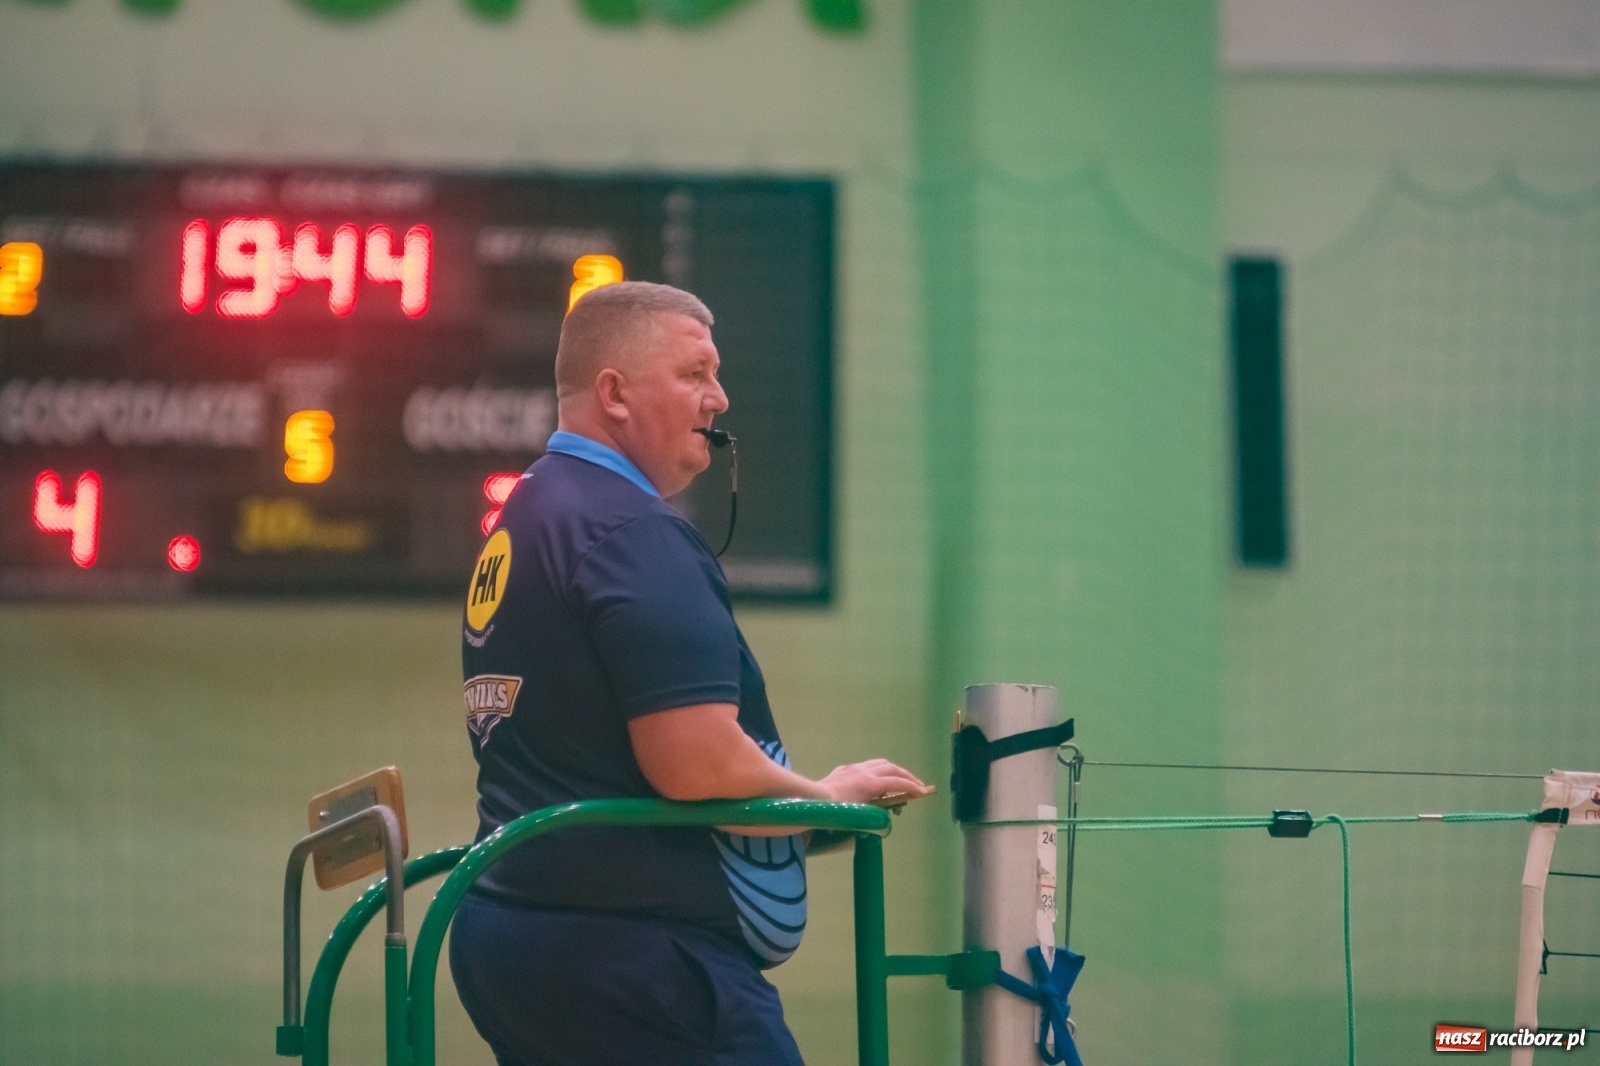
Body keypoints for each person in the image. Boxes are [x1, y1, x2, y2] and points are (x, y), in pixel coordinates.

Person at [449, 281, 930, 1066]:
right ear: (615, 393)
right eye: (695, 372)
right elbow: (696, 763)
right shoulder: (630, 529)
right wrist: (830, 800)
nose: (720, 396)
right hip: (632, 958)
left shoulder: (530, 513)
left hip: (521, 933)